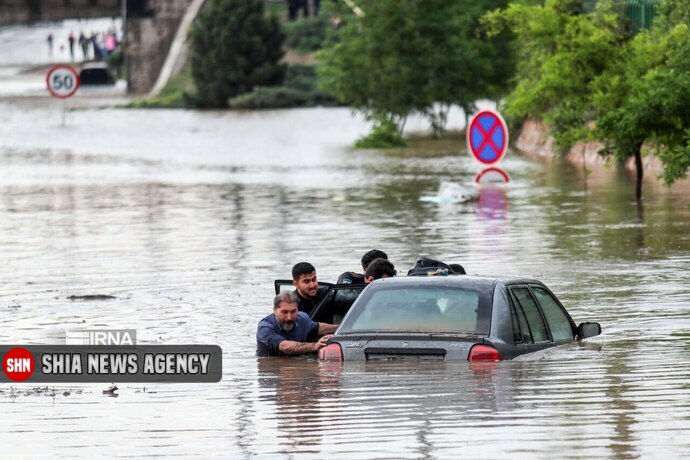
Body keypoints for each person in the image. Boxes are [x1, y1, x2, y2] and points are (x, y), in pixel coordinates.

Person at [256, 291, 338, 357]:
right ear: (275, 310)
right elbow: (284, 346)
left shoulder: (302, 318)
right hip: (273, 372)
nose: (289, 317)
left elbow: (318, 328)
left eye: (293, 311)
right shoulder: (265, 327)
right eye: (284, 312)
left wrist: (342, 327)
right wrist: (314, 346)